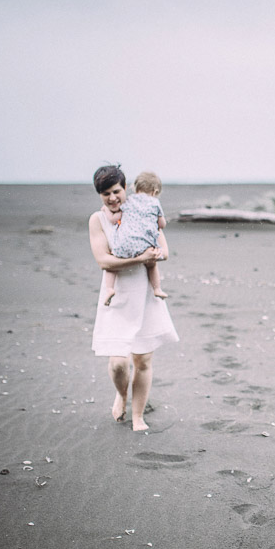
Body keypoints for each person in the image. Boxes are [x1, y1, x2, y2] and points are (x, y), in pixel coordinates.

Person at [88, 165, 179, 431]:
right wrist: (139, 257)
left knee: (143, 360)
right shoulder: (98, 219)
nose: (113, 198)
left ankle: (138, 415)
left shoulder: (142, 209)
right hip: (115, 296)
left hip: (144, 293)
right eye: (106, 194)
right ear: (100, 195)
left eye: (116, 191)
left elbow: (164, 251)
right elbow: (103, 261)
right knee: (118, 363)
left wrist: (153, 256)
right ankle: (122, 394)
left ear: (125, 188)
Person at [103, 170, 168, 306]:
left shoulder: (129, 200)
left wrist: (106, 211)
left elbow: (115, 219)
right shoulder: (155, 203)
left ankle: (109, 289)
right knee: (152, 265)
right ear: (155, 191)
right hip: (144, 246)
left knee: (112, 266)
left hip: (123, 243)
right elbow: (162, 224)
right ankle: (157, 288)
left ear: (135, 187)